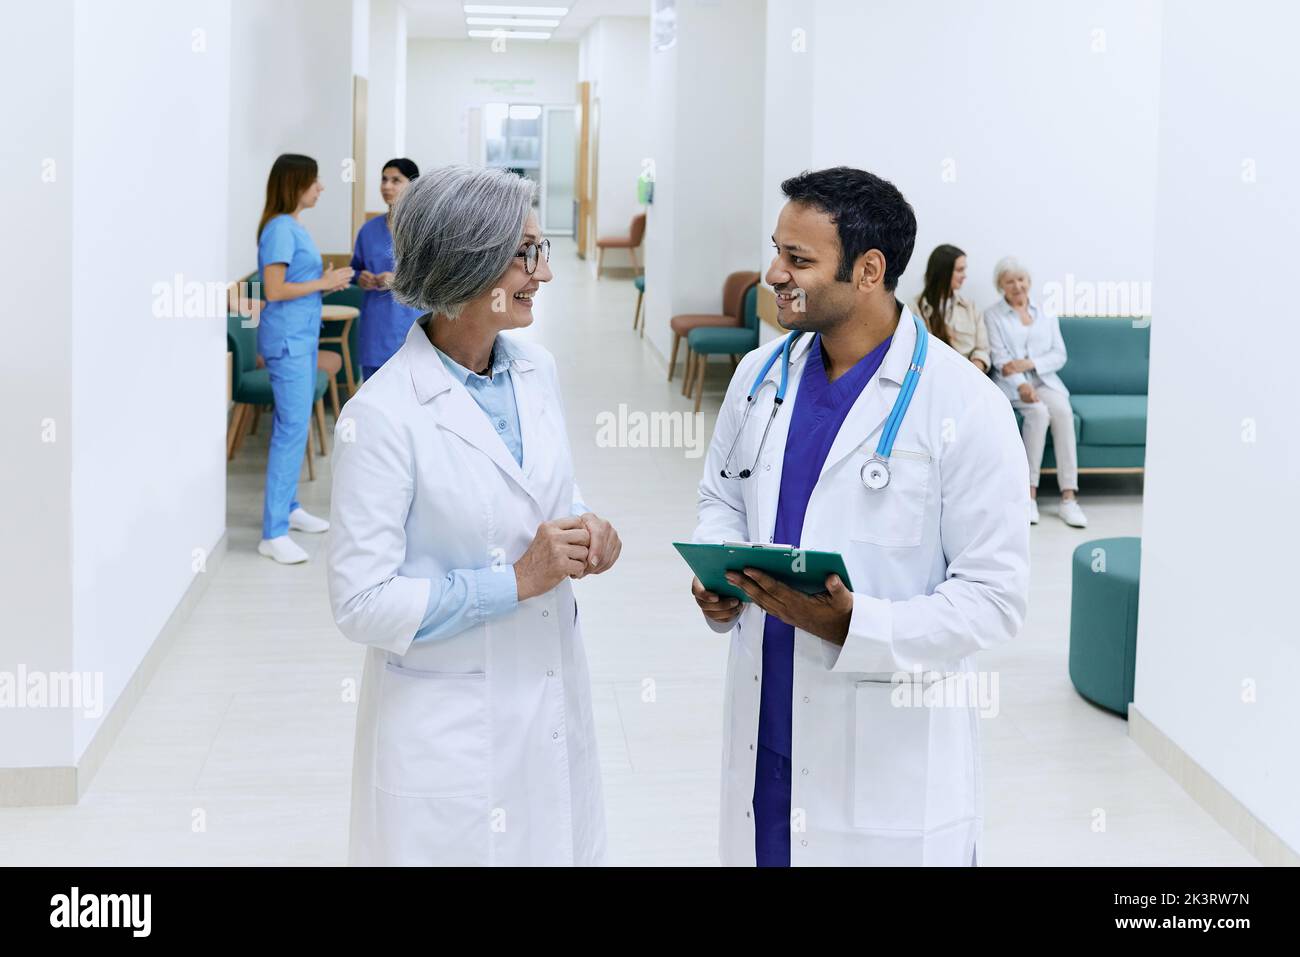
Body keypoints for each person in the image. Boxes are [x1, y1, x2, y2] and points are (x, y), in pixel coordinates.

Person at [691, 166, 1029, 867]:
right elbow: (721, 498)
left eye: (799, 259)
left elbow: (994, 598)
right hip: (770, 730)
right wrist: (717, 569)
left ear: (869, 270)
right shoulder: (759, 379)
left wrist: (858, 626)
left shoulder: (966, 407)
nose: (774, 272)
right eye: (777, 250)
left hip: (888, 755)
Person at [327, 165, 621, 866]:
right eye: (524, 253)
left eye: (538, 248)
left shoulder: (535, 369)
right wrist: (515, 579)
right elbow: (361, 602)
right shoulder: (382, 417)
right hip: (446, 731)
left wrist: (587, 530)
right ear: (466, 262)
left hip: (546, 696)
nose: (541, 272)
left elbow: (545, 498)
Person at [255, 153, 354, 564]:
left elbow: (296, 284)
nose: (322, 187)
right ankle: (272, 532)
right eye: (315, 180)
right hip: (287, 343)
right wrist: (324, 281)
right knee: (291, 429)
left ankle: (290, 508)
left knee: (294, 429)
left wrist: (322, 286)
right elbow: (274, 290)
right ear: (296, 184)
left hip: (301, 337)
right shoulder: (279, 228)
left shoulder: (293, 226)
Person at [983, 257, 1087, 527]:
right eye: (1010, 281)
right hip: (1012, 384)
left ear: (1029, 282)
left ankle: (1068, 498)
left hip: (1046, 381)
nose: (1017, 286)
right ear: (1000, 286)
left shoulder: (1045, 313)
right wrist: (1022, 383)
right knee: (1039, 414)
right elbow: (1000, 359)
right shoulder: (993, 315)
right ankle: (1028, 495)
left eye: (1021, 280)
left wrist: (1030, 364)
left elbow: (1059, 354)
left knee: (1063, 412)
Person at [349, 158, 425, 380]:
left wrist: (398, 279)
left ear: (413, 185)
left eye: (395, 180)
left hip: (412, 324)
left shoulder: (423, 230)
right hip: (375, 327)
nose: (386, 186)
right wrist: (360, 278)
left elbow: (436, 277)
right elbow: (355, 269)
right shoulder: (368, 230)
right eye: (384, 179)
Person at [913, 244, 990, 371]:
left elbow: (982, 350)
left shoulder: (971, 308)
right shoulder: (915, 309)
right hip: (932, 377)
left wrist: (972, 373)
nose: (964, 276)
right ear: (943, 272)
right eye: (959, 270)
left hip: (970, 377)